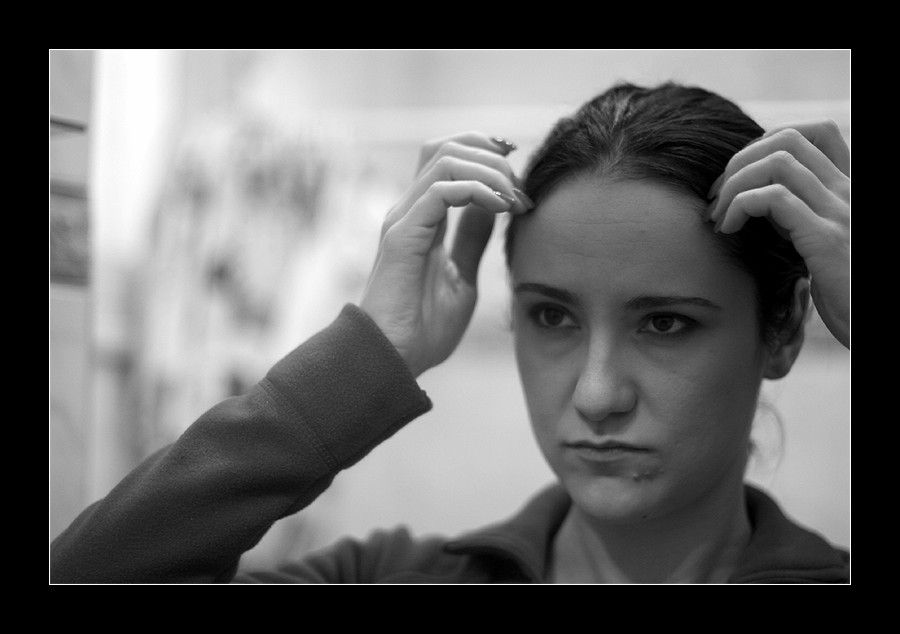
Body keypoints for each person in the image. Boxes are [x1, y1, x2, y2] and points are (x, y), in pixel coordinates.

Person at [50, 81, 850, 584]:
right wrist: (369, 352)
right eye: (552, 316)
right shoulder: (386, 578)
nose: (597, 395)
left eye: (666, 323)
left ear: (782, 331)